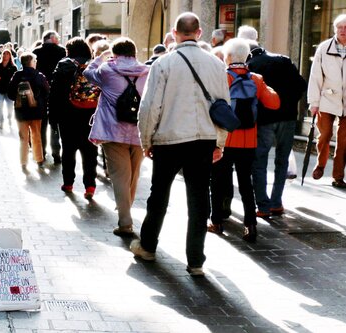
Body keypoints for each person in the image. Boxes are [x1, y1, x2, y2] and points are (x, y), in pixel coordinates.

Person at [131, 12, 229, 276]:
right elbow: (222, 105)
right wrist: (219, 142)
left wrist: (146, 139)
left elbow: (150, 106)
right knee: (198, 200)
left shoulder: (163, 64)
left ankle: (148, 245)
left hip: (169, 139)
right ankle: (196, 260)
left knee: (159, 195)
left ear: (175, 33)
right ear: (198, 33)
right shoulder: (216, 64)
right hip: (203, 140)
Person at [208, 38, 280, 243]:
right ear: (247, 56)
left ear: (227, 57)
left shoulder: (221, 77)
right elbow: (274, 103)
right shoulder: (256, 79)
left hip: (223, 140)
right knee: (245, 183)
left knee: (218, 181)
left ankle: (217, 221)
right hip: (248, 141)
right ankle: (250, 225)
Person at [239, 26, 308, 215]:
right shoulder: (283, 60)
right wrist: (289, 102)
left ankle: (263, 205)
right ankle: (276, 202)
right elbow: (302, 85)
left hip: (264, 119)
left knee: (259, 161)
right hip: (287, 117)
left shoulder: (252, 65)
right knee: (282, 160)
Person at [84, 37, 149, 234]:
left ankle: (125, 222)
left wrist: (100, 57)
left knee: (120, 177)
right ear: (134, 52)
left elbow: (88, 73)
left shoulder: (107, 69)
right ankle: (125, 208)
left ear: (114, 53)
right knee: (133, 176)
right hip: (139, 132)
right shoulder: (147, 71)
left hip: (113, 131)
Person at [49, 37, 100, 199]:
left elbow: (54, 93)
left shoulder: (64, 65)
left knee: (69, 150)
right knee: (90, 151)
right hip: (91, 114)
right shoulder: (94, 65)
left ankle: (68, 183)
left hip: (67, 114)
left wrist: (53, 117)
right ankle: (90, 185)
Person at [307, 14, 346, 189]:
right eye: (340, 27)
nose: (343, 31)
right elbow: (315, 76)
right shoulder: (324, 48)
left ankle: (338, 176)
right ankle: (320, 164)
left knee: (344, 141)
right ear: (335, 29)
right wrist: (313, 102)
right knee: (324, 135)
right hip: (327, 98)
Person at [7, 52, 49, 171]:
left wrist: (19, 99)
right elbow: (47, 93)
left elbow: (10, 93)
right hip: (36, 111)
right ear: (31, 62)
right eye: (35, 61)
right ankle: (39, 159)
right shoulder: (39, 75)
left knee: (23, 137)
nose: (36, 63)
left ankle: (23, 161)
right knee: (36, 135)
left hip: (21, 112)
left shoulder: (17, 75)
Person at [33, 30, 66, 164]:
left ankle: (41, 152)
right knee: (55, 123)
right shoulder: (62, 51)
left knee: (42, 124)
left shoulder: (36, 52)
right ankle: (56, 152)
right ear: (52, 38)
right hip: (57, 92)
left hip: (40, 92)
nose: (58, 39)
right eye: (57, 37)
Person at [0, 49, 18, 128]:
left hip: (9, 90)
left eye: (7, 54)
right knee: (0, 106)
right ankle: (1, 122)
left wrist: (2, 78)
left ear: (10, 56)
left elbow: (15, 79)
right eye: (4, 54)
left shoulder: (13, 67)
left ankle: (9, 118)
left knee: (10, 107)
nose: (5, 55)